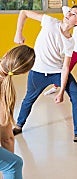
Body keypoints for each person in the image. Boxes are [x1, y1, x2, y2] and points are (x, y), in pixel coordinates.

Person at [12, 6, 77, 144]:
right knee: (29, 99)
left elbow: (65, 67)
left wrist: (61, 91)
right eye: (70, 11)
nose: (69, 13)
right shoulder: (50, 22)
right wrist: (18, 33)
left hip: (56, 72)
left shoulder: (70, 41)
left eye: (74, 14)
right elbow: (24, 13)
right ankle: (18, 126)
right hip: (37, 71)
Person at [0, 45, 35, 179]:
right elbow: (6, 138)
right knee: (14, 163)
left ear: (6, 53)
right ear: (24, 72)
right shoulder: (5, 93)